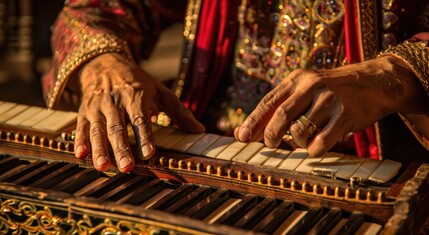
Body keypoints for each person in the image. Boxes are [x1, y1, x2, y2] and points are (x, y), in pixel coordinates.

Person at [42, 0, 429, 173]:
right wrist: (104, 65)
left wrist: (388, 77)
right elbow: (95, 8)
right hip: (200, 154)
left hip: (371, 172)